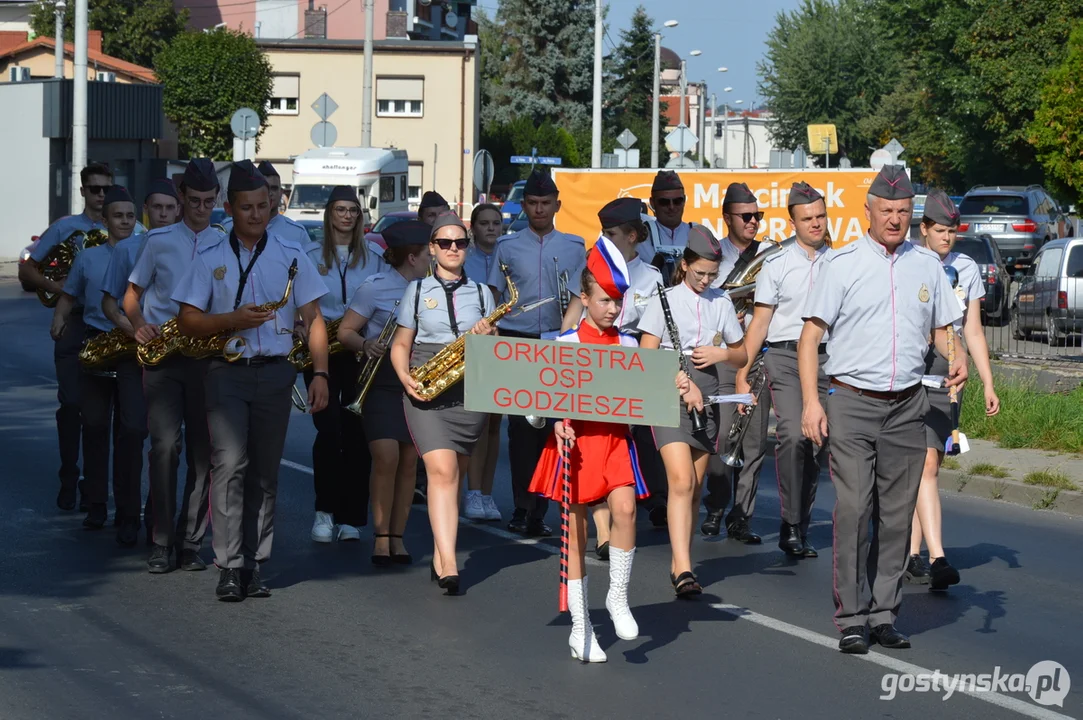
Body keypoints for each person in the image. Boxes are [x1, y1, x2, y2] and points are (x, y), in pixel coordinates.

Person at [798, 165, 967, 653]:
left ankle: (884, 613)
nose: (894, 219)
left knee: (896, 515)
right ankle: (852, 617)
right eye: (885, 210)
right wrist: (812, 403)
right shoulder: (843, 263)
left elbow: (942, 331)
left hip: (907, 405)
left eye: (901, 211)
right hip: (852, 402)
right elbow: (810, 338)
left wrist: (956, 361)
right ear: (867, 211)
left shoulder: (926, 265)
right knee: (854, 510)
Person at [171, 160, 330, 601]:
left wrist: (320, 373)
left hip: (276, 372)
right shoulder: (211, 257)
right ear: (229, 209)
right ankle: (229, 563)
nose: (257, 214)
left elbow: (314, 319)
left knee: (263, 471)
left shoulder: (292, 254)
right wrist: (231, 320)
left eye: (264, 205)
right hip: (226, 372)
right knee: (229, 464)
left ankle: (255, 564)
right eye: (247, 207)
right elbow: (187, 320)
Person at [528, 237, 671, 662]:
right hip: (575, 445)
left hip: (613, 443)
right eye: (606, 300)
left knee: (626, 510)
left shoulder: (629, 346)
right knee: (577, 533)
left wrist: (673, 383)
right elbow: (534, 406)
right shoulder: (564, 345)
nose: (613, 309)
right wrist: (554, 423)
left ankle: (618, 597)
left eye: (619, 301)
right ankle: (580, 628)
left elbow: (650, 391)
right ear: (586, 298)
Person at [391, 213, 498, 595]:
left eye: (461, 243)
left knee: (454, 477)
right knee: (441, 470)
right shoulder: (417, 291)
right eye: (446, 243)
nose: (454, 249)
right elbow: (401, 343)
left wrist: (487, 335)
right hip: (427, 383)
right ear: (432, 249)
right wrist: (405, 377)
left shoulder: (485, 293)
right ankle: (450, 561)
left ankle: (440, 553)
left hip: (468, 390)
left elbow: (494, 351)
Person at [124, 160, 222, 574]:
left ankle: (190, 542)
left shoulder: (226, 240)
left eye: (209, 202)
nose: (201, 209)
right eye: (194, 201)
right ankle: (161, 540)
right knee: (165, 447)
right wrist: (139, 325)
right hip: (165, 357)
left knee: (204, 455)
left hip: (208, 358)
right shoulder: (159, 240)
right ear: (181, 200)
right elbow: (132, 294)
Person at [638, 224, 747, 597]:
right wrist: (681, 383)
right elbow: (647, 357)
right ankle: (684, 568)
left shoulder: (721, 302)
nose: (705, 280)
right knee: (681, 482)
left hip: (710, 397)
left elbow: (742, 353)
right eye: (699, 273)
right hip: (670, 397)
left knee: (695, 489)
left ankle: (679, 559)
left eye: (712, 275)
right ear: (685, 265)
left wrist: (721, 354)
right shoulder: (664, 300)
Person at [906, 188, 1000, 590]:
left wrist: (987, 381)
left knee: (929, 467)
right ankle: (937, 556)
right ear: (924, 229)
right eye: (940, 230)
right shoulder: (910, 263)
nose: (947, 238)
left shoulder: (966, 266)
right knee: (925, 463)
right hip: (916, 371)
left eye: (952, 232)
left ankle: (910, 553)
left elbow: (973, 329)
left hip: (951, 376)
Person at [561, 197, 666, 553]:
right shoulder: (592, 268)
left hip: (629, 364)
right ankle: (603, 532)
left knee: (620, 448)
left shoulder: (651, 277)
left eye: (611, 233)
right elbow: (572, 320)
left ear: (633, 236)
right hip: (592, 360)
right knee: (591, 447)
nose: (603, 239)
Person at [488, 169, 586, 537]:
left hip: (559, 344)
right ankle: (521, 505)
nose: (539, 209)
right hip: (518, 342)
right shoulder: (507, 247)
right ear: (524, 205)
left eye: (546, 203)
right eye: (532, 203)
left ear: (557, 205)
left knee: (554, 429)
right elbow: (493, 299)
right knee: (520, 428)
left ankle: (541, 509)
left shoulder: (575, 247)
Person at [735, 182, 830, 558]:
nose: (816, 224)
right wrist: (743, 369)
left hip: (829, 359)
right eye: (808, 219)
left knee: (820, 442)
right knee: (793, 433)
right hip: (785, 357)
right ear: (793, 222)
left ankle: (801, 520)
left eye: (821, 216)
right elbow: (759, 324)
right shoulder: (776, 264)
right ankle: (790, 524)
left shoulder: (841, 262)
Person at [50, 186, 147, 543]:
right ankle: (94, 504)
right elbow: (69, 295)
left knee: (133, 429)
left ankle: (127, 512)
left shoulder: (143, 252)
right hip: (96, 342)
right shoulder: (88, 257)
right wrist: (60, 318)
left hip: (132, 348)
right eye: (117, 216)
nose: (124, 221)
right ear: (104, 221)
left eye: (130, 216)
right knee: (92, 426)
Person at [20, 162, 112, 511]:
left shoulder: (125, 227)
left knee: (100, 413)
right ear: (84, 191)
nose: (101, 195)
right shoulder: (66, 228)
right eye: (95, 189)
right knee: (72, 404)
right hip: (73, 321)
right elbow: (27, 268)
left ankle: (94, 485)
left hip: (108, 325)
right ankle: (69, 475)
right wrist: (56, 286)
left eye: (106, 188)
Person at [338, 220, 430, 565]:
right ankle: (379, 535)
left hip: (417, 378)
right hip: (380, 381)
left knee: (409, 460)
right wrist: (366, 343)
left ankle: (397, 535)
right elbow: (345, 331)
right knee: (387, 456)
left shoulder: (432, 289)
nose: (431, 259)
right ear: (411, 258)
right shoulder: (374, 287)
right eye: (426, 254)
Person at [303, 185, 386, 544]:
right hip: (322, 351)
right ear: (329, 214)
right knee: (328, 432)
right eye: (340, 209)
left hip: (360, 352)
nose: (347, 215)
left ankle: (351, 518)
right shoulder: (308, 254)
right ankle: (324, 511)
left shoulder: (375, 258)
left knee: (357, 436)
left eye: (353, 210)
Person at [702, 182, 771, 544]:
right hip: (724, 358)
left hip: (758, 356)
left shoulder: (770, 255)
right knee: (721, 440)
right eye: (746, 216)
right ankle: (715, 505)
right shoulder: (714, 254)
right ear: (727, 217)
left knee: (755, 443)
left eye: (757, 216)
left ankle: (741, 516)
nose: (753, 222)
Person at [462, 203, 504, 523]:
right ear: (473, 228)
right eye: (484, 223)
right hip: (474, 346)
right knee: (475, 424)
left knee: (494, 425)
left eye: (496, 223)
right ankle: (472, 492)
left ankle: (487, 494)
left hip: (502, 346)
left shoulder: (506, 256)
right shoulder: (466, 261)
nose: (491, 228)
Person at [220, 161, 310, 247]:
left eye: (274, 188)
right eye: (266, 188)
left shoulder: (297, 233)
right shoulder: (227, 227)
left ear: (281, 192)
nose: (270, 193)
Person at [636, 170, 694, 272]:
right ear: (652, 203)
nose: (671, 207)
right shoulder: (639, 239)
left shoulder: (697, 234)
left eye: (677, 201)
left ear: (684, 200)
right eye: (664, 202)